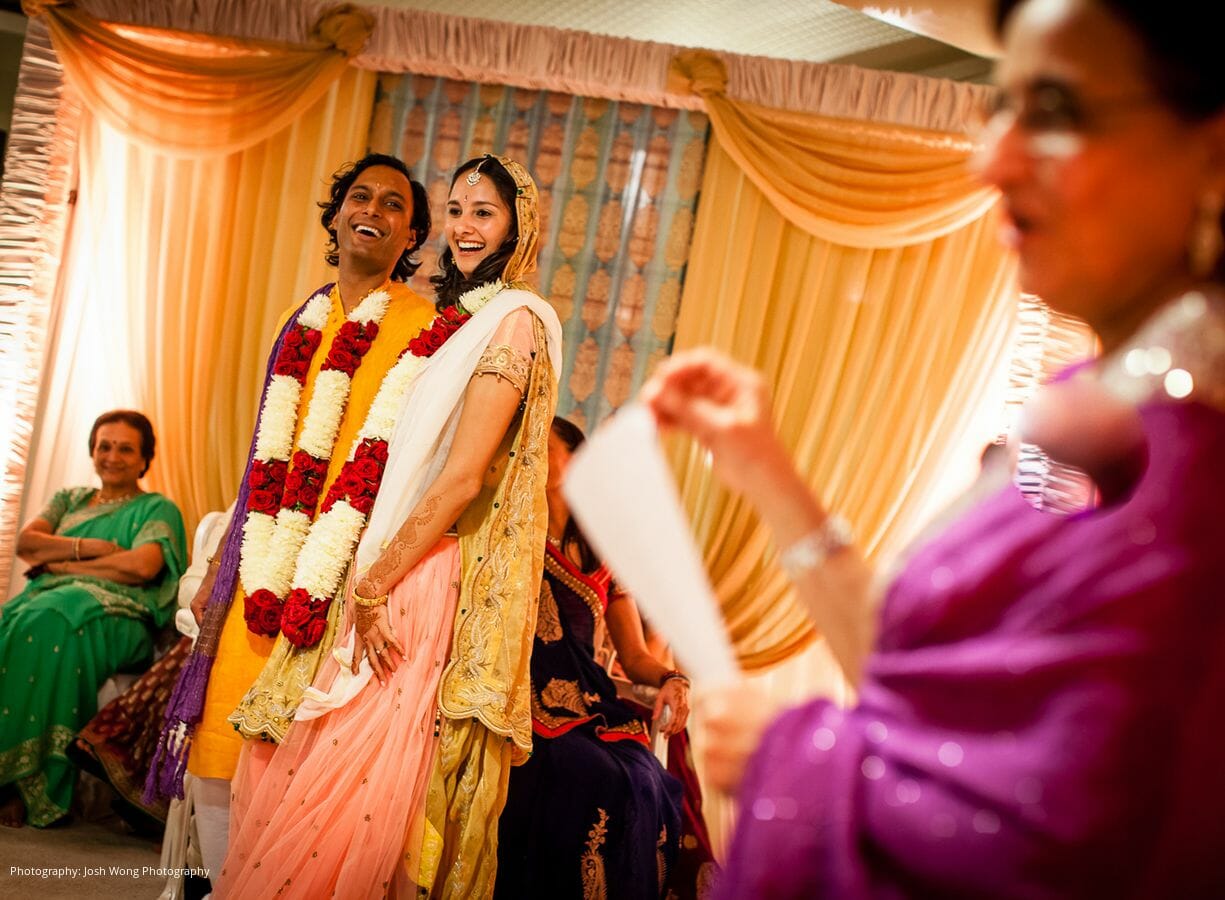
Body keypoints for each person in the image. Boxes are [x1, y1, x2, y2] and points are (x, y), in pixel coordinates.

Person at [640, 0, 1225, 895]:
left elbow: (1060, 849)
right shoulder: (1098, 406)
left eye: (1055, 112)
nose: (991, 158)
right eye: (1002, 106)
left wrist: (789, 762)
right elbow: (926, 681)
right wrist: (765, 471)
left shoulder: (1193, 476)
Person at [215, 154, 562, 899]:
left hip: (418, 575)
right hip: (386, 564)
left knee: (348, 780)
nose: (465, 228)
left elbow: (463, 476)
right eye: (457, 210)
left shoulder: (514, 322)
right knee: (299, 767)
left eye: (485, 213)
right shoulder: (462, 320)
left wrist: (372, 586)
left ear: (518, 228)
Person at [145, 153, 437, 878]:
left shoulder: (425, 326)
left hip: (345, 566)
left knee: (299, 749)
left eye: (394, 204)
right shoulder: (297, 317)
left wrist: (372, 571)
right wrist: (225, 556)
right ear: (335, 216)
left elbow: (415, 462)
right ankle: (225, 885)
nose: (373, 210)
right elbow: (263, 453)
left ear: (411, 235)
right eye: (360, 196)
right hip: (265, 556)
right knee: (223, 733)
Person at [495, 416, 698, 900]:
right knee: (589, 772)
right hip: (524, 698)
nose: (534, 454)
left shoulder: (604, 556)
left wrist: (673, 678)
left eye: (547, 446)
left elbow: (634, 656)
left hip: (589, 704)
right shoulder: (514, 534)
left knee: (646, 778)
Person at [1, 410, 186, 827]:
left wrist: (64, 566)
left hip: (123, 618)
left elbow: (142, 567)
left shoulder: (156, 508)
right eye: (105, 446)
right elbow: (28, 544)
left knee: (55, 619)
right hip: (47, 603)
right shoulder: (69, 499)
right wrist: (92, 549)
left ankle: (31, 784)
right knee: (27, 619)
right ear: (92, 450)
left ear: (144, 459)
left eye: (126, 449)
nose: (112, 457)